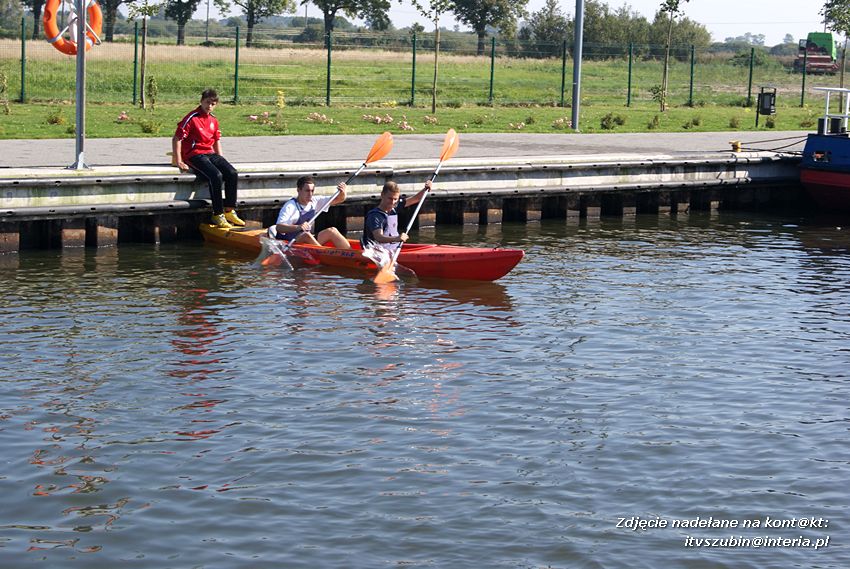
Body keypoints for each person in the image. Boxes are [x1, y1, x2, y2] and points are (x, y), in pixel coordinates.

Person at [173, 89, 244, 229]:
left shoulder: (213, 120)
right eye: (207, 102)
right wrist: (179, 160)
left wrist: (221, 159)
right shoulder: (192, 117)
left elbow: (216, 140)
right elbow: (177, 138)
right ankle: (217, 214)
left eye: (212, 104)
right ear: (201, 101)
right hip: (194, 154)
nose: (209, 106)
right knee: (215, 175)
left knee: (231, 173)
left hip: (210, 153)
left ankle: (229, 210)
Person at [273, 175, 351, 249]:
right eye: (307, 191)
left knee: (332, 231)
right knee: (306, 235)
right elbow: (279, 227)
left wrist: (343, 192)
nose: (310, 194)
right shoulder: (290, 206)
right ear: (298, 190)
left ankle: (352, 254)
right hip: (290, 243)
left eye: (312, 191)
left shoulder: (314, 201)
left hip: (305, 242)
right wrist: (298, 227)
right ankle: (324, 255)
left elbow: (338, 199)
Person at [361, 179, 431, 255]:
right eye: (390, 198)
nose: (392, 202)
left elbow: (416, 198)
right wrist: (397, 238)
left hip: (393, 249)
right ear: (382, 195)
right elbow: (379, 237)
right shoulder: (375, 216)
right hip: (376, 252)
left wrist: (426, 188)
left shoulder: (395, 207)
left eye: (395, 199)